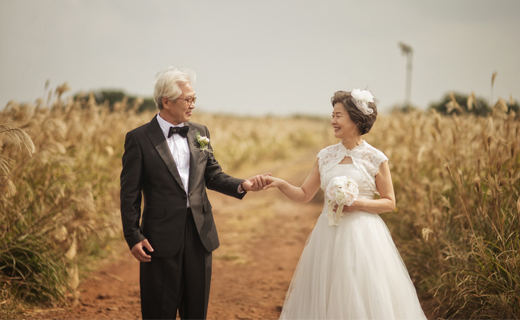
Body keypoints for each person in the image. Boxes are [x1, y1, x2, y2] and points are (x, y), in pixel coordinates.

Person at [264, 89, 427, 319]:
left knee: (358, 292)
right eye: (332, 115)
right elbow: (303, 194)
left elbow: (390, 203)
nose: (333, 120)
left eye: (338, 115)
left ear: (356, 118)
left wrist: (357, 203)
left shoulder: (375, 158)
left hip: (363, 237)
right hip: (328, 233)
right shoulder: (325, 156)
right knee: (326, 291)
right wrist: (280, 183)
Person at [120, 67, 267, 319]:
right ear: (166, 101)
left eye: (194, 98)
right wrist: (133, 235)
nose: (193, 105)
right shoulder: (139, 138)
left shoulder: (201, 133)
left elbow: (213, 175)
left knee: (196, 311)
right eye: (188, 99)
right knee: (159, 312)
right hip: (160, 238)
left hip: (201, 235)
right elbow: (129, 193)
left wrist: (243, 185)